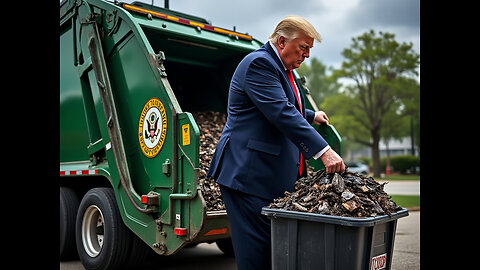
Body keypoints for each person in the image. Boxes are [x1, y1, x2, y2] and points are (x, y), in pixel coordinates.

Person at [206, 15, 345, 270]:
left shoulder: (281, 68)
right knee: (257, 257)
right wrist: (324, 151)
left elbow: (283, 105)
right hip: (249, 177)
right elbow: (281, 111)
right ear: (282, 41)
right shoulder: (260, 64)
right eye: (304, 48)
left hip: (264, 176)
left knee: (273, 254)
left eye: (309, 50)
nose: (307, 55)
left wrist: (313, 115)